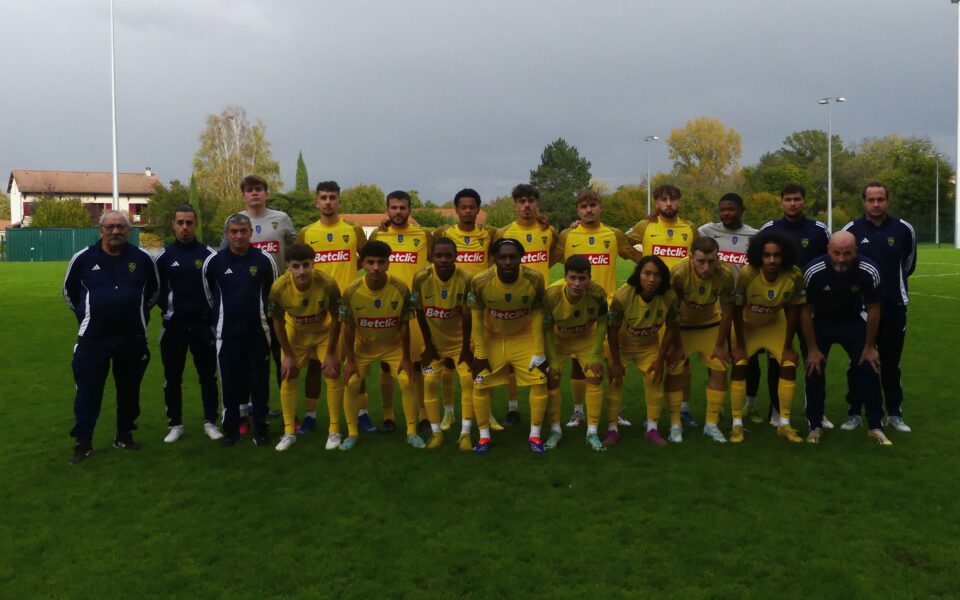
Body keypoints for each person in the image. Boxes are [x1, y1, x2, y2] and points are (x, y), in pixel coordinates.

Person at [63, 210, 159, 463]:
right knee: (88, 392)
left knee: (129, 391)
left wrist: (134, 314)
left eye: (120, 227)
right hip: (93, 339)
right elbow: (69, 293)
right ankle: (83, 442)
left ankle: (124, 435)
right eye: (110, 227)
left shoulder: (142, 259)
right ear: (100, 230)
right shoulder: (83, 259)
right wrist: (87, 315)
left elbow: (153, 292)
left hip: (131, 338)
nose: (115, 231)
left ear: (128, 231)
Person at [555, 190, 640, 429]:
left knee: (614, 359)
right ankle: (578, 411)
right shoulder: (567, 235)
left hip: (609, 308)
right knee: (577, 362)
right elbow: (547, 258)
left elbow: (636, 256)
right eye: (583, 206)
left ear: (600, 207)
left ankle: (617, 410)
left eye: (592, 205)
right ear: (577, 210)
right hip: (577, 308)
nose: (588, 210)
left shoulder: (613, 234)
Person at [840, 182, 917, 432]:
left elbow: (909, 264)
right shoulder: (851, 230)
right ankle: (854, 412)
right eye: (871, 199)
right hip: (859, 309)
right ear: (863, 202)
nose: (876, 204)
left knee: (891, 364)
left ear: (887, 200)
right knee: (859, 362)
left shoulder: (904, 229)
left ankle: (894, 413)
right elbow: (842, 264)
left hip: (893, 306)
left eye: (880, 199)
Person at [801, 232, 890, 445]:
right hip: (820, 322)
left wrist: (870, 346)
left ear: (856, 251)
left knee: (869, 367)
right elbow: (805, 311)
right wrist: (812, 348)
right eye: (836, 253)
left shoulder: (869, 270)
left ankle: (875, 426)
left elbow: (874, 309)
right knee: (814, 370)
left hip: (853, 321)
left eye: (847, 253)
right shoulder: (813, 271)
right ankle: (815, 425)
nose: (841, 259)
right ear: (828, 250)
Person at [295, 180, 370, 434]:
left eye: (332, 197)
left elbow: (367, 261)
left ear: (339, 201)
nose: (328, 202)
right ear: (317, 202)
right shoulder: (306, 232)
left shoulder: (354, 230)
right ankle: (310, 415)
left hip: (349, 309)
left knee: (354, 360)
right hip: (317, 311)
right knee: (317, 364)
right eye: (323, 197)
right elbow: (298, 267)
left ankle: (362, 412)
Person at [759, 183, 831, 427]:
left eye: (797, 199)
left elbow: (832, 261)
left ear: (804, 201)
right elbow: (758, 262)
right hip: (778, 307)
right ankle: (776, 410)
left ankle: (817, 412)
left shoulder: (819, 230)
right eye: (788, 199)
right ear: (781, 202)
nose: (792, 203)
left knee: (815, 357)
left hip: (812, 307)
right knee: (776, 359)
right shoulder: (769, 229)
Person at [626, 184, 699, 426]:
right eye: (663, 200)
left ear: (680, 202)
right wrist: (643, 262)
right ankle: (652, 414)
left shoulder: (689, 228)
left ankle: (683, 409)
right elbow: (623, 244)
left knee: (681, 359)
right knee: (652, 359)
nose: (668, 204)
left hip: (680, 301)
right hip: (652, 302)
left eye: (673, 200)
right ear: (656, 203)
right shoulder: (645, 226)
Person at [468, 238, 550, 453]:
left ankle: (535, 435)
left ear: (520, 258)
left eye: (512, 257)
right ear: (494, 259)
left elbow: (536, 314)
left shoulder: (534, 278)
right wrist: (480, 352)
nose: (507, 261)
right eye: (502, 257)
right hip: (492, 337)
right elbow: (476, 319)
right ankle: (484, 436)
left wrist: (540, 351)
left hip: (523, 337)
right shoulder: (480, 281)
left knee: (540, 380)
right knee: (479, 384)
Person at [203, 213, 277, 447]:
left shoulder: (265, 260)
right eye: (233, 231)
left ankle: (261, 429)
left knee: (259, 381)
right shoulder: (214, 262)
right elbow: (209, 295)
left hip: (258, 332)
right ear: (226, 234)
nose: (238, 236)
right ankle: (231, 429)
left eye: (243, 231)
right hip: (227, 333)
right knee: (230, 382)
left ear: (250, 232)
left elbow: (272, 294)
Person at [339, 241, 421, 450]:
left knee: (406, 380)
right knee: (351, 382)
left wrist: (405, 357)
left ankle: (412, 432)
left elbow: (404, 325)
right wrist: (349, 360)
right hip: (363, 347)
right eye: (371, 262)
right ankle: (352, 433)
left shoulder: (401, 288)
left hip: (392, 346)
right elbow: (348, 328)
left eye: (381, 262)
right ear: (363, 264)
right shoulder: (351, 290)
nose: (376, 267)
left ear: (388, 264)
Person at [429, 188, 499, 430]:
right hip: (451, 308)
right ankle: (449, 413)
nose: (468, 211)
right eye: (463, 207)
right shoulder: (442, 234)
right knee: (449, 363)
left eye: (472, 207)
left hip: (480, 309)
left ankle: (486, 413)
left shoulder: (490, 234)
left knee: (482, 360)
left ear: (478, 210)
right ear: (456, 210)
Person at [492, 184, 561, 426]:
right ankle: (512, 407)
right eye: (522, 201)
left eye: (531, 201)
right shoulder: (504, 233)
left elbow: (554, 254)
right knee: (511, 361)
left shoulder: (548, 230)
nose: (527, 206)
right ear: (515, 205)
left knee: (544, 359)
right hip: (512, 307)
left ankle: (548, 416)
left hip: (540, 305)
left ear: (537, 204)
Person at [730, 230, 805, 443]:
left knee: (788, 364)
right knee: (740, 363)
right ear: (758, 255)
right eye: (766, 255)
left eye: (777, 255)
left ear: (785, 255)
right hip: (748, 325)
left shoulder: (793, 274)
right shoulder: (747, 274)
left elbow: (794, 310)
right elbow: (736, 309)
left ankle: (784, 424)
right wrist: (740, 345)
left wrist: (789, 345)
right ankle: (736, 425)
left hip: (774, 324)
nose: (772, 260)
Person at [155, 204, 222, 443]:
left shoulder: (209, 256)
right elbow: (156, 292)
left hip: (203, 326)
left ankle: (210, 422)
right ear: (173, 225)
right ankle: (175, 424)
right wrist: (170, 309)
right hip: (174, 327)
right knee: (172, 377)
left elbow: (218, 290)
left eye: (189, 223)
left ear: (196, 225)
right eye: (180, 222)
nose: (184, 227)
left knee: (208, 376)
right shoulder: (163, 258)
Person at [268, 243, 343, 452]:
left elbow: (338, 317)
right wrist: (289, 356)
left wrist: (330, 353)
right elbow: (277, 322)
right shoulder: (279, 287)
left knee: (332, 373)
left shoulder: (327, 283)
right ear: (288, 267)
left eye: (306, 265)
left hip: (323, 333)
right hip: (297, 334)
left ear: (313, 263)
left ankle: (334, 430)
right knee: (288, 375)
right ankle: (289, 432)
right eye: (296, 266)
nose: (301, 271)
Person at [698, 193, 765, 423]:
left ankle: (751, 404)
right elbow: (685, 233)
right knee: (717, 356)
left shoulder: (754, 236)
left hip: (746, 307)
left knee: (748, 357)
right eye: (722, 209)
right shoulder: (708, 231)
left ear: (742, 209)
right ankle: (719, 403)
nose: (726, 213)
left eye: (731, 209)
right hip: (718, 306)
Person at [368, 190, 431, 432]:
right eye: (393, 207)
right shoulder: (379, 234)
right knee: (386, 364)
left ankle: (424, 412)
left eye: (402, 207)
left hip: (414, 309)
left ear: (410, 210)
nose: (398, 212)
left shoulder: (423, 235)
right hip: (384, 309)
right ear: (387, 210)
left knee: (418, 363)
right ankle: (388, 415)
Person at [236, 174, 297, 421]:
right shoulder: (236, 222)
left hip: (280, 300)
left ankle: (288, 410)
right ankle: (257, 405)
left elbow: (295, 252)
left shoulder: (281, 219)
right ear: (243, 195)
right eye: (249, 190)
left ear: (266, 193)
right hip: (249, 301)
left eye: (258, 189)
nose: (254, 194)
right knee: (253, 358)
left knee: (282, 356)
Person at [607, 256, 683, 446]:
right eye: (647, 273)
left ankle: (652, 429)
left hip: (648, 346)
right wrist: (616, 362)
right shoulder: (623, 296)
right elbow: (611, 329)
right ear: (638, 274)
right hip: (622, 347)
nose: (651, 279)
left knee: (654, 378)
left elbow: (672, 326)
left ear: (663, 278)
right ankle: (612, 429)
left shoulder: (669, 296)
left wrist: (660, 359)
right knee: (614, 381)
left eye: (656, 275)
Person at [669, 236, 737, 443]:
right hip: (683, 326)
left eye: (711, 261)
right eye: (700, 261)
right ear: (691, 258)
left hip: (710, 325)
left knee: (719, 368)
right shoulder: (678, 274)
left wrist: (720, 344)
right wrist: (677, 345)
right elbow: (672, 312)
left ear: (718, 258)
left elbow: (728, 311)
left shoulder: (725, 274)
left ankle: (711, 424)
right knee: (674, 370)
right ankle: (674, 424)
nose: (706, 267)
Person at [412, 237, 475, 450]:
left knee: (468, 382)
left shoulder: (466, 278)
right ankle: (436, 433)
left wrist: (466, 348)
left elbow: (468, 317)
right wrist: (429, 346)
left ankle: (465, 433)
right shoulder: (421, 278)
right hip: (434, 344)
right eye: (439, 255)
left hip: (461, 344)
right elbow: (420, 312)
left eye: (448, 255)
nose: (443, 260)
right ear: (431, 257)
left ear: (456, 257)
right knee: (429, 382)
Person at [542, 255, 609, 451]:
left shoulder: (597, 293)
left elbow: (603, 322)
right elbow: (545, 328)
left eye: (582, 278)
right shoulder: (551, 295)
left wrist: (596, 354)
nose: (577, 283)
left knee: (595, 376)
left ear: (590, 277)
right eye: (573, 278)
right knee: (552, 379)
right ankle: (555, 430)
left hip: (585, 338)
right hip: (559, 339)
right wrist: (552, 360)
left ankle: (592, 432)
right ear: (565, 277)